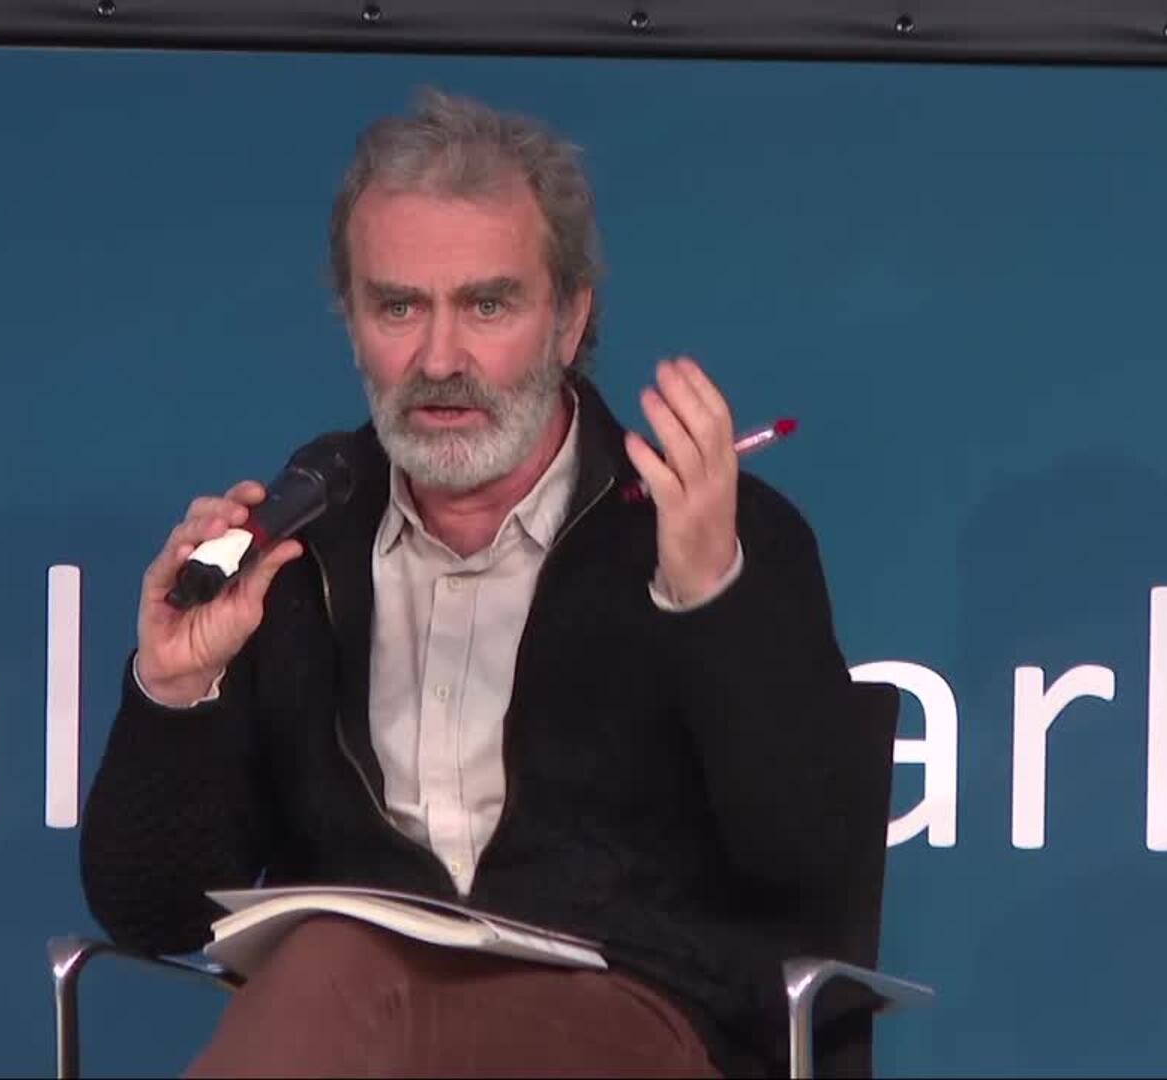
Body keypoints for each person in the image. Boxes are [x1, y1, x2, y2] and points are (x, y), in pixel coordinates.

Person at [81, 87, 866, 1077]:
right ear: (353, 322)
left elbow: (807, 865)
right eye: (398, 307)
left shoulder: (714, 534)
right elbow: (152, 913)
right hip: (349, 1023)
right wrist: (176, 693)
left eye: (487, 305)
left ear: (569, 320)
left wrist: (711, 603)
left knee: (330, 973)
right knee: (333, 968)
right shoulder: (296, 545)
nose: (440, 358)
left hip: (634, 1022)